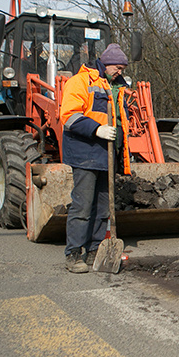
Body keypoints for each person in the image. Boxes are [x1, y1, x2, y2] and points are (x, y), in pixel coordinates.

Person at [59, 43, 131, 273]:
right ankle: (73, 254)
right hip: (85, 153)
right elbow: (69, 115)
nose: (120, 71)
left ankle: (94, 250)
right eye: (117, 67)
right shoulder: (80, 82)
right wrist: (96, 129)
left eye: (122, 68)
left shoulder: (118, 87)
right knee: (82, 205)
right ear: (106, 63)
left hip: (107, 155)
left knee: (103, 208)